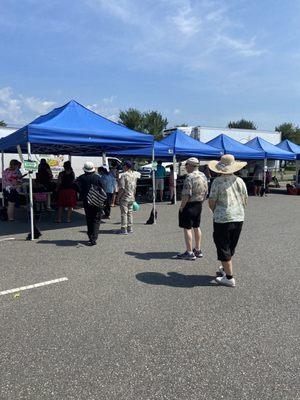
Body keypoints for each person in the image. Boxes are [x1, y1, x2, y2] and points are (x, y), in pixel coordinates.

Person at [208, 154, 248, 287]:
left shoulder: (217, 182)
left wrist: (215, 211)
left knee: (223, 246)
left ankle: (229, 277)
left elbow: (212, 201)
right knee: (231, 245)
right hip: (239, 216)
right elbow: (245, 199)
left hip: (223, 217)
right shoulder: (240, 181)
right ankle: (225, 269)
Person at [174, 157, 208, 260]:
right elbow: (206, 191)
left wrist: (181, 206)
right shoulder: (203, 175)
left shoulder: (189, 177)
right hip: (199, 204)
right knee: (197, 226)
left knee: (187, 228)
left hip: (189, 204)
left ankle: (189, 252)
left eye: (186, 165)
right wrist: (201, 201)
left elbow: (186, 194)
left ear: (190, 165)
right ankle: (197, 249)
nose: (185, 167)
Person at [77, 162, 103, 246]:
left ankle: (90, 236)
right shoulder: (97, 177)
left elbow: (77, 187)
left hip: (86, 201)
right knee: (96, 219)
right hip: (97, 201)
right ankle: (94, 238)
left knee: (89, 219)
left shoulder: (81, 178)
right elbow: (102, 189)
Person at [117, 161, 140, 235]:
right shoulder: (134, 175)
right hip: (131, 196)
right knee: (130, 213)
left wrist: (118, 197)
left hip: (124, 197)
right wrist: (134, 196)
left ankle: (124, 229)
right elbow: (135, 187)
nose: (123, 167)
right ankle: (130, 228)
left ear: (126, 166)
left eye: (124, 166)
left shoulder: (124, 175)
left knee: (124, 213)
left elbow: (122, 188)